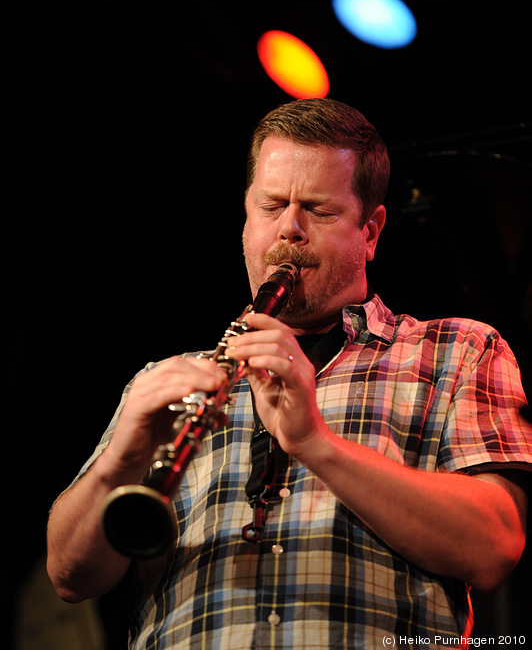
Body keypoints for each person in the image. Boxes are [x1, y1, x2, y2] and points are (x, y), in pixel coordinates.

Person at [47, 98, 532, 649]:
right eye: (271, 206)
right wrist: (123, 458)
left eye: (318, 211)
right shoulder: (165, 382)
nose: (289, 231)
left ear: (370, 232)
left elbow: (494, 546)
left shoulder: (458, 349)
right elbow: (68, 575)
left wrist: (316, 444)